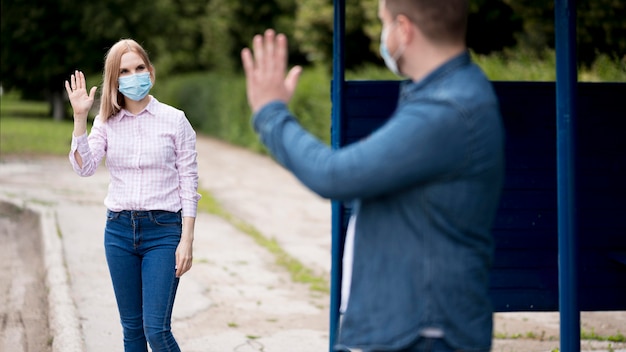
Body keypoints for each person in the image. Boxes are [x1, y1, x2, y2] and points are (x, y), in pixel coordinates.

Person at [241, 0, 504, 351]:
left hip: (422, 333)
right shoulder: (448, 95)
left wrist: (271, 113)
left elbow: (333, 175)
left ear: (404, 30)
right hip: (417, 327)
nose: (383, 36)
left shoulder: (446, 109)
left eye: (384, 23)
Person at [65, 38, 200, 352]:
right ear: (115, 79)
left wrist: (187, 239)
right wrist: (79, 119)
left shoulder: (175, 120)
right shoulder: (106, 123)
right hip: (119, 232)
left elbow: (189, 183)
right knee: (132, 332)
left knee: (156, 331)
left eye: (139, 68)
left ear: (150, 73)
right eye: (124, 71)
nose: (134, 75)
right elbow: (83, 168)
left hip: (164, 233)